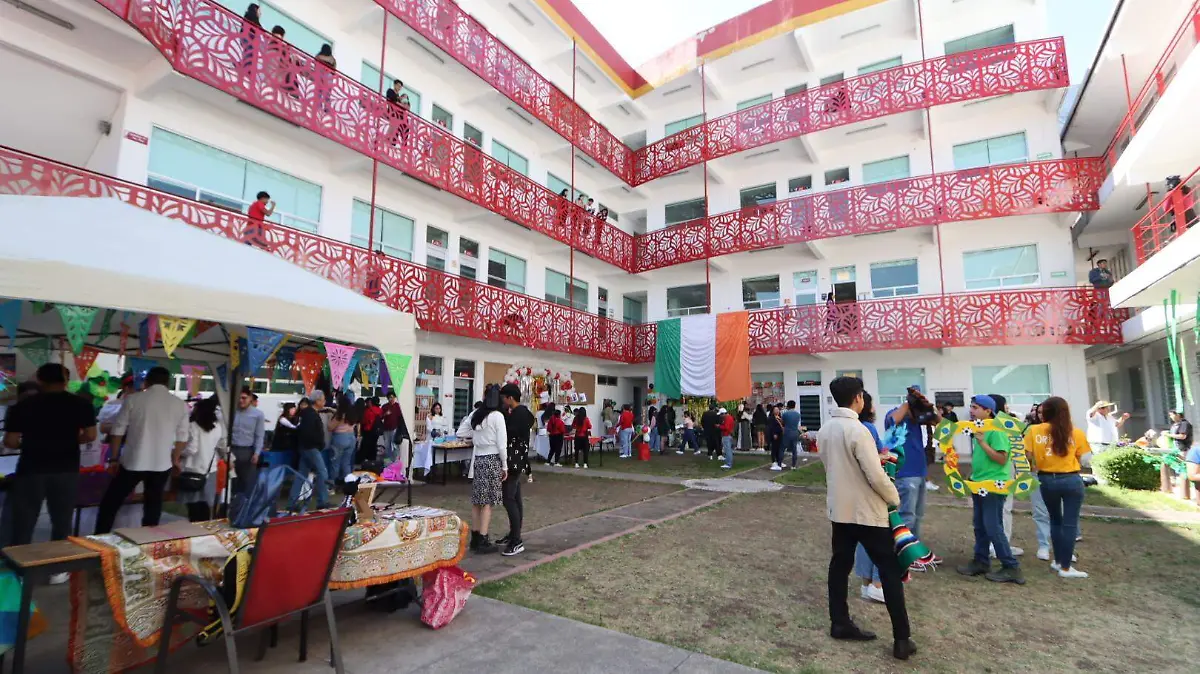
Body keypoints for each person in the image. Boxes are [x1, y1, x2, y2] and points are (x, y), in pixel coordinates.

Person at [820, 376, 915, 660]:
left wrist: (875, 459)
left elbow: (841, 466)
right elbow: (873, 476)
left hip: (840, 509)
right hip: (867, 512)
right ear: (858, 397)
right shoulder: (858, 430)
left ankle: (839, 621)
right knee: (889, 569)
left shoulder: (826, 429)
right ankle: (901, 638)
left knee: (839, 565)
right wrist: (893, 497)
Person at [3, 364, 97, 555]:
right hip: (66, 468)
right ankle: (59, 567)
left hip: (31, 468)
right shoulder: (81, 404)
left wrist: (28, 444)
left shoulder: (22, 406)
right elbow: (91, 435)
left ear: (40, 379)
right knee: (62, 520)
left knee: (24, 521)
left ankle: (20, 565)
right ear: (65, 380)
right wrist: (70, 440)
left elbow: (10, 441)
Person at [95, 367, 189, 534]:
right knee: (153, 506)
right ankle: (148, 542)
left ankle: (101, 536)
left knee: (111, 502)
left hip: (133, 461)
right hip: (161, 464)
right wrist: (175, 459)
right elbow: (182, 437)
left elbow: (117, 432)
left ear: (146, 382)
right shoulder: (180, 404)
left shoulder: (133, 399)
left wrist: (114, 458)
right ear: (168, 383)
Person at [955, 395, 1024, 584]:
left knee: (993, 526)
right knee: (980, 525)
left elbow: (1001, 458)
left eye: (976, 407)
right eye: (971, 407)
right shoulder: (981, 428)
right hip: (979, 483)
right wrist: (972, 475)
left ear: (988, 411)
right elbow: (981, 458)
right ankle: (981, 561)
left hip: (994, 485)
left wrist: (983, 442)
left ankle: (1011, 566)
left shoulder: (996, 429)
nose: (971, 410)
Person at [1025, 396, 1090, 578]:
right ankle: (1066, 566)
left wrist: (1036, 464)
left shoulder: (1034, 430)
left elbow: (1027, 455)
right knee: (1069, 523)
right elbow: (1085, 459)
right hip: (1071, 479)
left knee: (1055, 520)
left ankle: (1058, 561)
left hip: (1046, 479)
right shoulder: (1075, 432)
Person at [885, 384, 942, 569]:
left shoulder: (918, 418)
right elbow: (892, 421)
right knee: (906, 516)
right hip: (905, 473)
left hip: (919, 472)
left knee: (917, 515)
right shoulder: (897, 413)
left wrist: (928, 406)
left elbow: (938, 421)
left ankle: (913, 552)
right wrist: (907, 404)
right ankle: (902, 555)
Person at [460, 386, 507, 554]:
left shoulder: (477, 414)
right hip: (492, 458)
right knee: (487, 502)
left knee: (477, 501)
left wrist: (477, 435)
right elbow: (502, 444)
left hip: (478, 459)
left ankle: (475, 537)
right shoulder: (498, 416)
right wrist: (505, 465)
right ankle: (484, 538)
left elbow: (461, 431)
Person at [853, 392, 886, 603]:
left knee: (863, 538)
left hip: (854, 490)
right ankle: (878, 583)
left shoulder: (845, 428)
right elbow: (878, 456)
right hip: (872, 488)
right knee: (880, 538)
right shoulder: (868, 428)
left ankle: (866, 585)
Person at [497, 383, 534, 556]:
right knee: (515, 497)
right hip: (519, 460)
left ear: (510, 398)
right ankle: (514, 533)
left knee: (508, 499)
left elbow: (509, 433)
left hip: (513, 461)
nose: (502, 402)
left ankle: (516, 540)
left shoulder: (517, 414)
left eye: (503, 398)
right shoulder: (524, 413)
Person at [178, 397, 227, 523]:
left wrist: (177, 453)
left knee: (193, 506)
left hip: (192, 469)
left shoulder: (193, 426)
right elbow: (222, 446)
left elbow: (192, 449)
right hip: (210, 470)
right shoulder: (218, 427)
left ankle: (194, 530)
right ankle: (203, 530)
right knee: (205, 504)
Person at [289, 390, 331, 511]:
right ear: (317, 401)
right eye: (323, 400)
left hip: (305, 448)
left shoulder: (306, 413)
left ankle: (292, 502)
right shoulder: (311, 414)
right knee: (322, 473)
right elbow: (310, 433)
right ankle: (322, 500)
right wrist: (319, 444)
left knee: (301, 474)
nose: (324, 402)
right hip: (311, 448)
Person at [229, 388, 265, 496]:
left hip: (247, 451)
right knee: (231, 482)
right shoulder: (231, 411)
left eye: (244, 398)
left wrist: (257, 453)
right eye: (239, 398)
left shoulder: (258, 414)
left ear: (250, 398)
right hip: (231, 450)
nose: (241, 401)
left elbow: (259, 435)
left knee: (247, 483)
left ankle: (244, 508)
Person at [328, 398, 359, 481]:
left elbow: (330, 427)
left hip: (340, 438)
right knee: (346, 463)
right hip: (352, 437)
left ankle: (332, 485)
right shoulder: (353, 414)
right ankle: (349, 484)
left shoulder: (340, 415)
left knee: (335, 463)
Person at [271, 402, 299, 467]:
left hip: (290, 446)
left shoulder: (295, 418)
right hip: (280, 445)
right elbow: (292, 427)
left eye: (294, 409)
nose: (294, 410)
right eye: (292, 409)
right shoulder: (282, 419)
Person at [358, 397, 382, 464]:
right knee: (373, 445)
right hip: (376, 431)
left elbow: (363, 421)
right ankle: (372, 459)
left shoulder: (368, 410)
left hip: (368, 430)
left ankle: (363, 460)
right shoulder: (379, 410)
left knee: (365, 446)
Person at [781, 400, 803, 470]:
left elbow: (783, 423)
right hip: (795, 432)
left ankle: (779, 463)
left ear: (788, 406)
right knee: (794, 449)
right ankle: (793, 465)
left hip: (787, 432)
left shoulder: (785, 414)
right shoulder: (798, 414)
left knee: (782, 448)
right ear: (794, 406)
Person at [380, 391, 403, 457]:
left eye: (393, 397)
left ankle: (395, 460)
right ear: (387, 398)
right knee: (387, 446)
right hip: (386, 429)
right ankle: (388, 461)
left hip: (395, 429)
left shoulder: (398, 406)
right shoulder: (385, 406)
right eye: (390, 397)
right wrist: (385, 414)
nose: (392, 399)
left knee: (395, 445)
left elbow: (401, 417)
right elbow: (380, 417)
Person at [767, 404, 784, 469]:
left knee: (779, 448)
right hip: (775, 435)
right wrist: (774, 433)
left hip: (780, 434)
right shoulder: (771, 418)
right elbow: (771, 427)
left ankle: (779, 461)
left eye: (778, 410)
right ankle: (774, 462)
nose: (777, 411)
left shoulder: (779, 417)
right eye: (775, 410)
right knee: (774, 448)